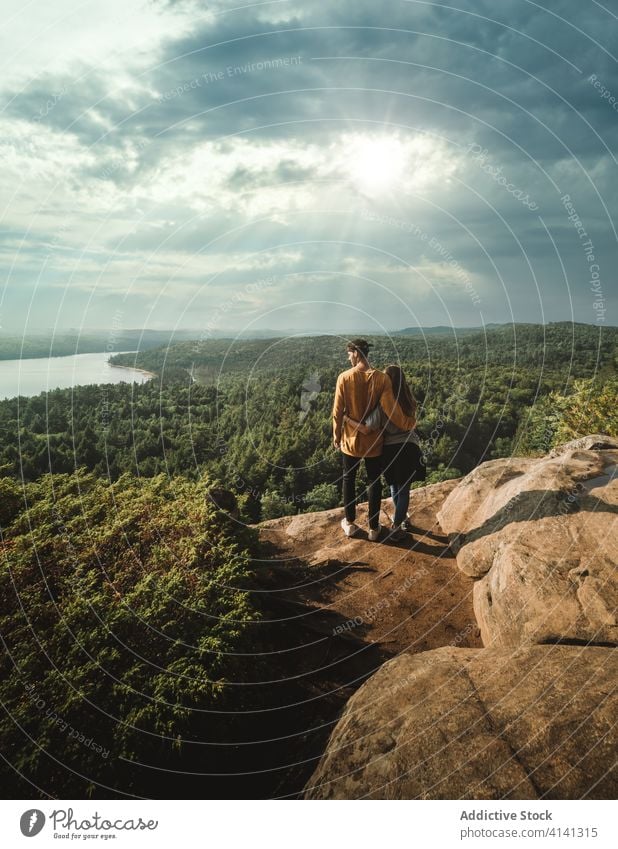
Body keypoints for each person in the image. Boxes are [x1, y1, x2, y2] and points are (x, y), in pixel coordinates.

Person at [332, 339, 417, 540]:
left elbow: (337, 412)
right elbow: (390, 409)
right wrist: (408, 424)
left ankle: (350, 524)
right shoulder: (381, 379)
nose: (348, 357)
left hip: (351, 442)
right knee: (374, 481)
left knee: (348, 479)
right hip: (375, 442)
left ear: (355, 353)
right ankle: (374, 528)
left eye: (349, 353)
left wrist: (336, 435)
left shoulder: (344, 377)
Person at [344, 364, 425, 541]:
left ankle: (398, 523)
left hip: (389, 449)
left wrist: (346, 418)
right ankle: (399, 523)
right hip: (410, 447)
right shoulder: (409, 401)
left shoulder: (383, 405)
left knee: (394, 486)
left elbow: (366, 429)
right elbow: (413, 424)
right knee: (403, 489)